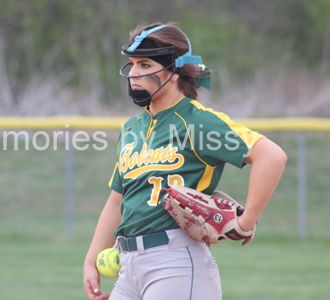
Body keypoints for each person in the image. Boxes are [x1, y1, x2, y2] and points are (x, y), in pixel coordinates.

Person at [83, 22, 287, 300]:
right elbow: (116, 201)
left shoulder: (197, 122)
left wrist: (246, 222)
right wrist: (91, 258)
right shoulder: (131, 129)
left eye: (144, 65)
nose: (133, 74)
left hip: (175, 261)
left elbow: (271, 156)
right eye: (131, 64)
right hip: (127, 264)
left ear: (175, 71)